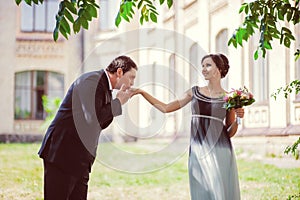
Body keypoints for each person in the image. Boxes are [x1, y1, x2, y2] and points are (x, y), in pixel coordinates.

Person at [132, 53, 244, 200]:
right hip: (198, 150)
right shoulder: (194, 92)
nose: (203, 69)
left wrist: (238, 120)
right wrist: (142, 92)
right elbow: (166, 108)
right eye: (202, 65)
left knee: (219, 191)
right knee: (202, 191)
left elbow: (229, 132)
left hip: (220, 150)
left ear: (219, 69)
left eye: (208, 65)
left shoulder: (229, 98)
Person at [38, 55, 137, 200]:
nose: (132, 83)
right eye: (131, 77)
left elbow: (101, 124)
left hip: (80, 160)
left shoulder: (106, 88)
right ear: (120, 72)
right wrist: (118, 102)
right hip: (62, 154)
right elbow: (93, 119)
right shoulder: (92, 81)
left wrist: (116, 102)